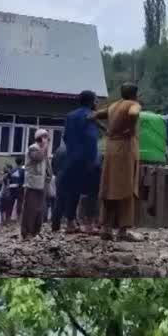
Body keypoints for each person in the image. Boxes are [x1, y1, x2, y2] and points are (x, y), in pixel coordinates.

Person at [93, 83, 144, 242]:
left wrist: (106, 130)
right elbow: (134, 112)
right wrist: (130, 127)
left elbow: (93, 116)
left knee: (109, 188)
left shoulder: (114, 106)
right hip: (125, 151)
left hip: (111, 150)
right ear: (135, 94)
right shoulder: (133, 104)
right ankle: (123, 230)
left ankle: (106, 228)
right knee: (126, 189)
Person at [56, 90, 100, 234]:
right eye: (96, 100)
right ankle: (90, 224)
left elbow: (66, 137)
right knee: (92, 192)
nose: (97, 103)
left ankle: (70, 223)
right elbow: (91, 139)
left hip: (72, 158)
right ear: (91, 101)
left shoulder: (70, 115)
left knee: (73, 191)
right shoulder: (91, 115)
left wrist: (73, 152)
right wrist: (92, 159)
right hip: (88, 159)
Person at [19, 130, 52, 239]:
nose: (47, 140)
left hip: (41, 184)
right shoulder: (33, 148)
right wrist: (44, 146)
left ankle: (36, 232)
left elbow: (46, 164)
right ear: (40, 138)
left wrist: (49, 175)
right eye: (45, 137)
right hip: (32, 184)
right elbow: (38, 158)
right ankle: (27, 232)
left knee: (39, 209)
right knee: (30, 209)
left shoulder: (43, 149)